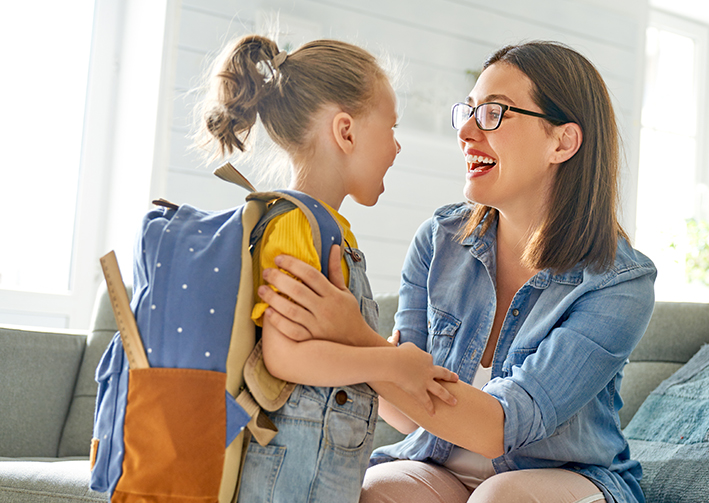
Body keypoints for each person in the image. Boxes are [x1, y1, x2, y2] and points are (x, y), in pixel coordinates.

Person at [257, 41, 657, 503]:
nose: (466, 130)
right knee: (374, 492)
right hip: (437, 462)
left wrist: (353, 333)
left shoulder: (619, 282)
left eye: (493, 113)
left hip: (565, 477)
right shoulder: (438, 239)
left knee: (497, 499)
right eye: (468, 111)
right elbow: (405, 413)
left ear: (562, 141)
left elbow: (499, 429)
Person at [198, 34, 459, 503]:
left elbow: (336, 360)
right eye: (392, 128)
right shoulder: (297, 224)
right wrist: (390, 361)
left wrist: (389, 364)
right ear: (346, 131)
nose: (397, 147)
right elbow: (284, 357)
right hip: (286, 481)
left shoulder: (332, 232)